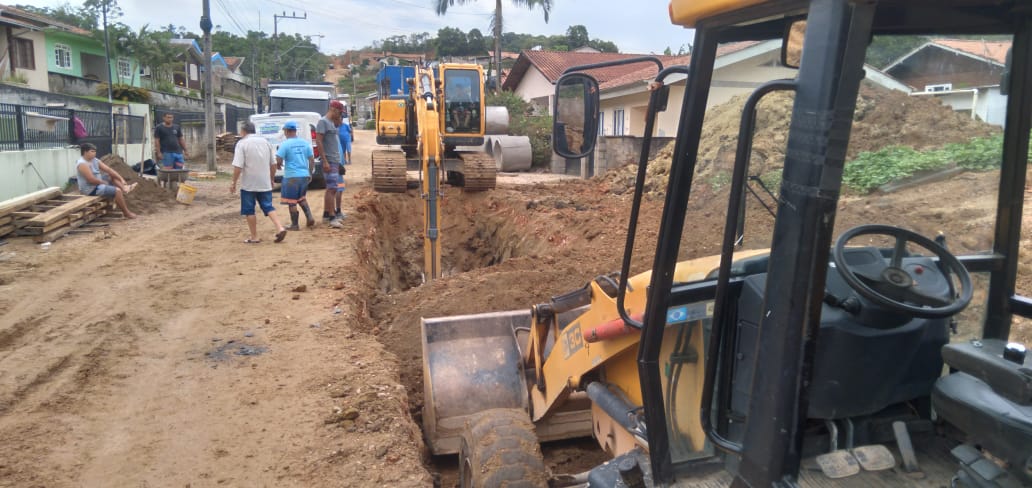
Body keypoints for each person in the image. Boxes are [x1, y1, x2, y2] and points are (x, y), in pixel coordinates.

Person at [230, 122, 287, 244]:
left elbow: (238, 166)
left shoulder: (242, 143)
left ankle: (254, 236)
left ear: (243, 131)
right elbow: (273, 164)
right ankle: (280, 227)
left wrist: (233, 182)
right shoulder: (266, 142)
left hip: (249, 183)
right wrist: (271, 178)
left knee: (249, 209)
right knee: (268, 206)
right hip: (264, 182)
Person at [76, 143, 137, 219]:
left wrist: (121, 179)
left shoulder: (94, 160)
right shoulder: (82, 164)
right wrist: (103, 183)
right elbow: (91, 179)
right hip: (90, 189)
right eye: (92, 151)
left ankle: (125, 188)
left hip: (97, 183)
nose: (95, 153)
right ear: (85, 152)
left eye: (95, 151)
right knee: (117, 191)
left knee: (110, 175)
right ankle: (126, 213)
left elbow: (109, 170)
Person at [276, 120, 317, 230]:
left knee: (291, 201)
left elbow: (278, 158)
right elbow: (312, 160)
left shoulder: (285, 144)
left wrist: (279, 165)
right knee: (301, 198)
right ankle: (309, 217)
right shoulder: (304, 143)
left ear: (288, 131)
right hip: (304, 175)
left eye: (285, 131)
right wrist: (309, 172)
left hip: (291, 176)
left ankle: (295, 224)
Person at [314, 100, 345, 228]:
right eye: (339, 112)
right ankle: (332, 216)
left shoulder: (332, 123)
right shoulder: (323, 122)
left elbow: (338, 126)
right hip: (329, 160)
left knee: (332, 188)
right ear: (333, 109)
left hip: (334, 160)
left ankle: (327, 214)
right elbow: (319, 142)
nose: (340, 115)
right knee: (332, 188)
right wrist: (325, 161)